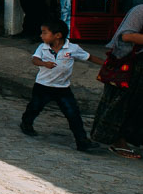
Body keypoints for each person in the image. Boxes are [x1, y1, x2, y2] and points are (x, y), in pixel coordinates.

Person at [20, 18, 100, 152]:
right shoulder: (42, 47)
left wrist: (106, 64)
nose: (41, 36)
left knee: (73, 114)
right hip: (43, 86)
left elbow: (89, 57)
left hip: (62, 88)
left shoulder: (72, 48)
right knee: (34, 107)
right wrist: (44, 64)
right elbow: (35, 59)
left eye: (45, 33)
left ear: (57, 35)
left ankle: (82, 141)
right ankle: (26, 124)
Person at [90, 3, 143, 158]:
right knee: (122, 104)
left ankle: (128, 138)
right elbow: (126, 36)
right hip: (132, 65)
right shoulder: (140, 10)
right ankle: (116, 141)